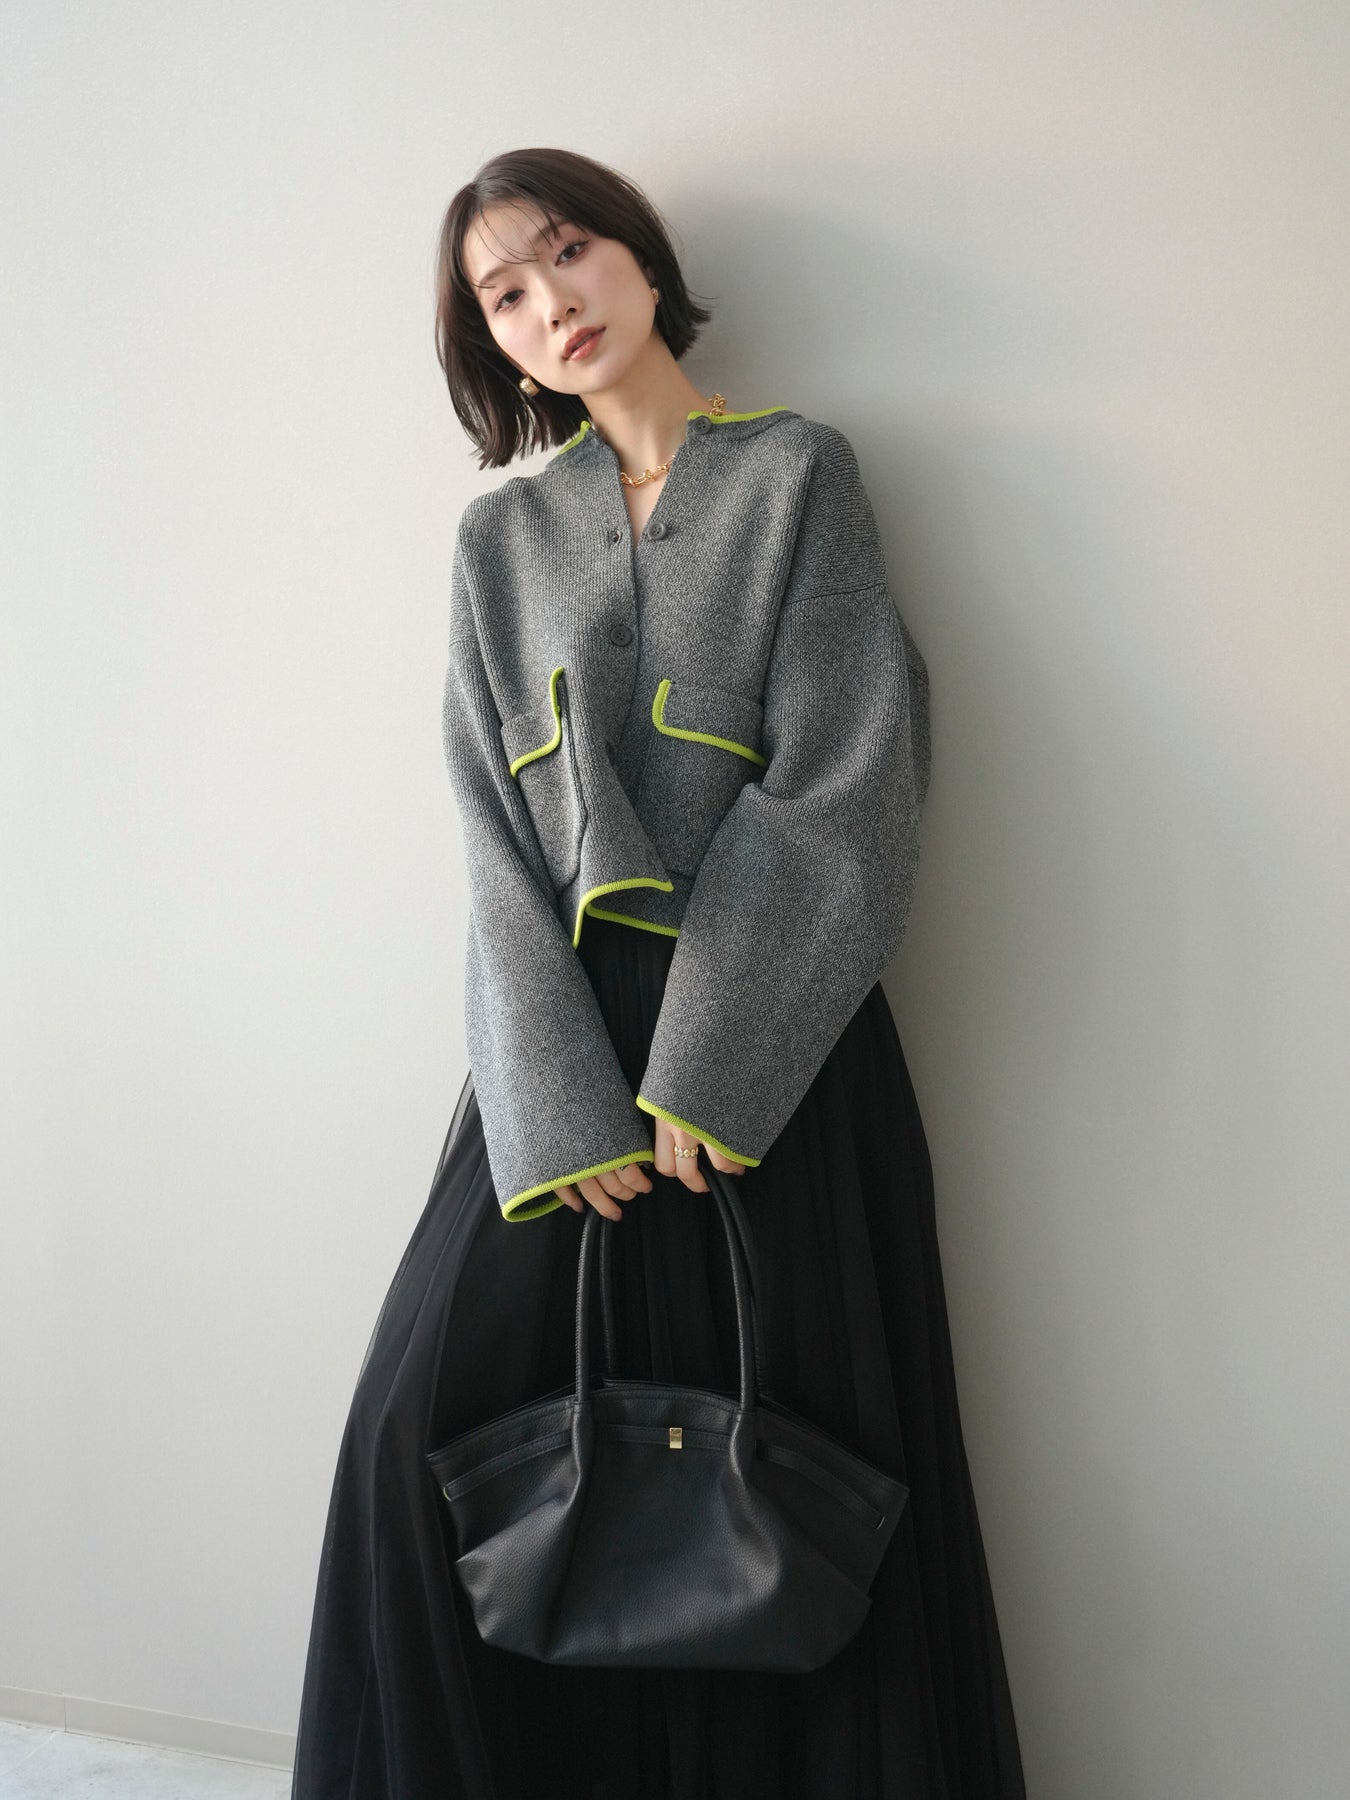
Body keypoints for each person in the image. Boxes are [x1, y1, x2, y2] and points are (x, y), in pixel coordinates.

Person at [290, 145, 1027, 1799]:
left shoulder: (795, 476)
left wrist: (712, 1066)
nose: (549, 302)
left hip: (773, 1049)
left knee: (790, 1477)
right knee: (419, 1439)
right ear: (484, 339)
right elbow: (489, 833)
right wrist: (561, 1105)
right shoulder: (498, 540)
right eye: (504, 293)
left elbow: (848, 778)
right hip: (554, 1059)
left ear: (637, 257)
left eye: (567, 252)